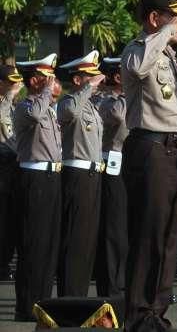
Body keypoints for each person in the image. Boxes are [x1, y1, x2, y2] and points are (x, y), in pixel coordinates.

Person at [120, 0, 177, 331]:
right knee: (149, 235)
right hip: (149, 148)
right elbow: (137, 69)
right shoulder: (139, 49)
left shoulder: (167, 55)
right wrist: (167, 31)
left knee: (168, 239)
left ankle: (155, 312)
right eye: (174, 15)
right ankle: (138, 315)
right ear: (155, 18)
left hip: (173, 151)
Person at [13, 53, 61, 322]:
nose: (53, 84)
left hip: (52, 178)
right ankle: (27, 305)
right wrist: (44, 93)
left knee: (49, 244)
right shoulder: (26, 106)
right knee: (33, 244)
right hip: (34, 179)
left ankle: (42, 302)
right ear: (34, 81)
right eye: (48, 79)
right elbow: (34, 114)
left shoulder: (48, 108)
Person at [57, 51, 106, 297]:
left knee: (87, 236)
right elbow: (70, 114)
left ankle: (80, 292)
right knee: (75, 235)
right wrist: (88, 88)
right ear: (77, 80)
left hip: (93, 174)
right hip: (76, 173)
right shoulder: (68, 101)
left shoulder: (91, 106)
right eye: (91, 76)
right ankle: (70, 293)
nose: (97, 81)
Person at [94, 57, 130, 297]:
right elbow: (118, 117)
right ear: (118, 78)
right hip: (111, 164)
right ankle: (111, 285)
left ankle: (125, 280)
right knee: (113, 226)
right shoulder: (107, 102)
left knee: (127, 226)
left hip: (130, 164)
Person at [0, 65, 22, 281]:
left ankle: (5, 263)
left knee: (12, 222)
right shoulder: (4, 105)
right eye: (10, 81)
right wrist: (8, 98)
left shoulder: (14, 106)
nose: (16, 85)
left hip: (15, 169)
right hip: (2, 167)